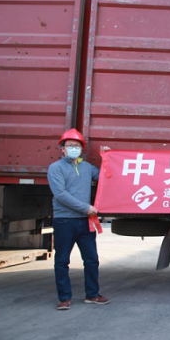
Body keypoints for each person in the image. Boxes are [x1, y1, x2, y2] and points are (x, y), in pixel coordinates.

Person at [47, 129, 110, 310]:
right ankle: (64, 298)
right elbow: (60, 194)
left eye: (76, 145)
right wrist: (86, 208)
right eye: (69, 145)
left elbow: (105, 176)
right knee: (62, 260)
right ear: (63, 149)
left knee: (91, 260)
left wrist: (107, 157)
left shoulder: (87, 167)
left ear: (81, 149)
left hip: (84, 221)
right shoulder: (56, 168)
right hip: (65, 220)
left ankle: (92, 294)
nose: (73, 148)